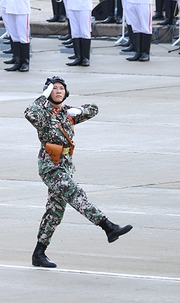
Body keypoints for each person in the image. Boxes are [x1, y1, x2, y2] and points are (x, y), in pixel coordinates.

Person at [25, 77, 133, 268]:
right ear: (47, 92)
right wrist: (42, 97)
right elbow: (29, 113)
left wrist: (80, 110)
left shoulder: (67, 113)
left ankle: (38, 254)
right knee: (75, 193)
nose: (59, 91)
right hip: (51, 165)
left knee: (55, 211)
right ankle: (108, 226)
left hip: (66, 165)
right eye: (54, 88)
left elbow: (94, 108)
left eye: (62, 88)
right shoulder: (42, 114)